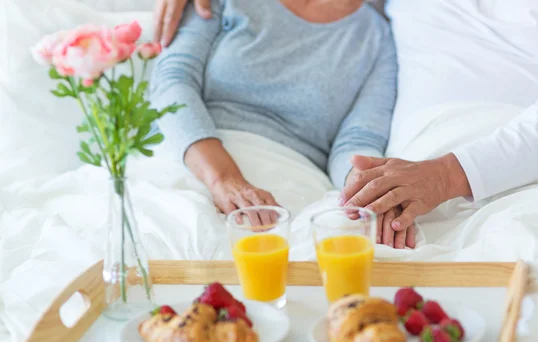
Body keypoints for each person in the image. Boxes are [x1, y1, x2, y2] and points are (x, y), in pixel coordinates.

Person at [156, 0, 538, 247]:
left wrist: (443, 176)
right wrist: (373, 191)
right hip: (409, 177)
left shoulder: (372, 34)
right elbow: (172, 78)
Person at [150, 0, 413, 248]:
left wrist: (370, 188)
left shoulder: (377, 38)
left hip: (288, 177)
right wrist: (223, 178)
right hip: (187, 152)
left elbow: (358, 139)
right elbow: (171, 82)